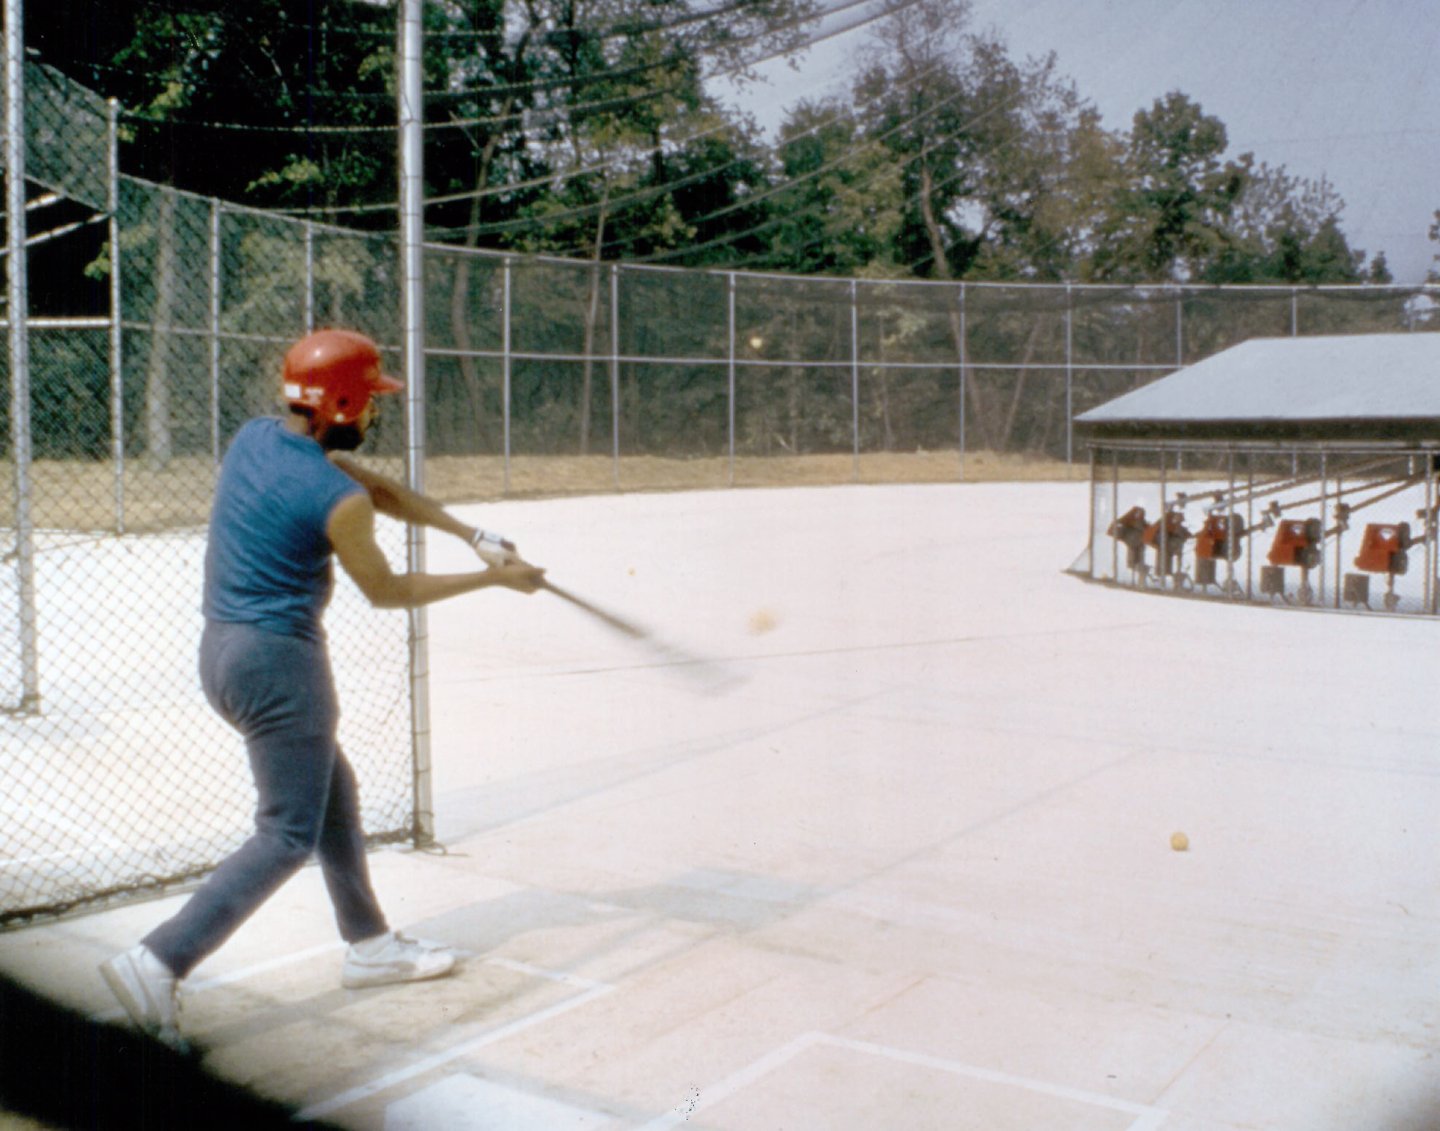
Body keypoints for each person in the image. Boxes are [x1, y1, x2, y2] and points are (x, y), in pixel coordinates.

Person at [99, 328, 544, 1053]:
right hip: (280, 667)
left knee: (332, 787)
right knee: (284, 832)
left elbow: (379, 487)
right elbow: (388, 588)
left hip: (222, 653)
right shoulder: (337, 500)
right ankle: (159, 959)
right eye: (369, 399)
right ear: (341, 403)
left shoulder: (256, 440)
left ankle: (368, 943)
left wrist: (472, 533)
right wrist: (495, 578)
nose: (373, 412)